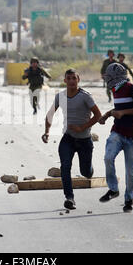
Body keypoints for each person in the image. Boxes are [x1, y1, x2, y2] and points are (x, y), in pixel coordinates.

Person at [43, 69, 102, 210]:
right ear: (65, 81)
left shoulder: (85, 96)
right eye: (68, 78)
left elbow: (98, 115)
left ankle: (90, 170)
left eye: (74, 78)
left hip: (84, 140)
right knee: (65, 167)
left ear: (78, 80)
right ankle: (69, 198)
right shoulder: (60, 97)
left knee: (85, 173)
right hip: (68, 139)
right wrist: (46, 132)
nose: (71, 81)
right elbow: (49, 115)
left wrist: (82, 127)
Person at [98, 63, 133, 213]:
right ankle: (113, 189)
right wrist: (106, 116)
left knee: (130, 171)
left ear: (115, 77)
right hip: (117, 132)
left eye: (109, 77)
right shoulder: (115, 90)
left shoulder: (131, 88)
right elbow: (117, 109)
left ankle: (129, 199)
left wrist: (124, 113)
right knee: (108, 157)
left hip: (132, 136)